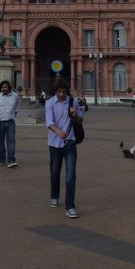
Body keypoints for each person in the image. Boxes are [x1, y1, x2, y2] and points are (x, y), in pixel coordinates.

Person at [45, 78, 83, 218]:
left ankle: (70, 206)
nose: (62, 94)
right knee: (55, 172)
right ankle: (54, 195)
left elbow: (80, 120)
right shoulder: (50, 103)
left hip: (70, 141)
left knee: (70, 175)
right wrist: (58, 131)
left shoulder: (73, 102)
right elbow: (49, 122)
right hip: (55, 143)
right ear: (55, 91)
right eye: (59, 91)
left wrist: (74, 114)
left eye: (64, 91)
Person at [0, 80, 20, 167]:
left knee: (11, 142)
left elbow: (18, 103)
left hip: (10, 122)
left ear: (9, 87)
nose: (3, 89)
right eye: (2, 87)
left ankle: (11, 160)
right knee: (1, 142)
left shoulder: (15, 96)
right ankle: (2, 159)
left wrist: (16, 111)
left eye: (5, 87)